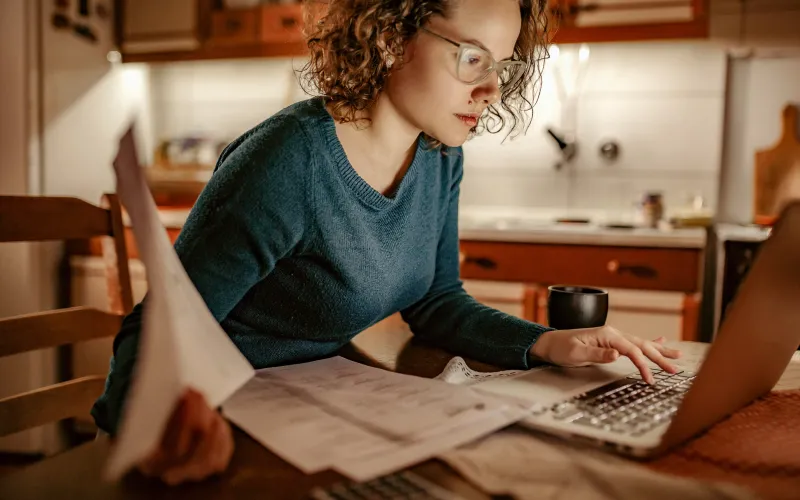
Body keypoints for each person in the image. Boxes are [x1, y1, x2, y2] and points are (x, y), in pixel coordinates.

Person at [92, 0, 681, 486]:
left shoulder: (439, 155)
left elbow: (437, 302)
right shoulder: (289, 162)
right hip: (216, 427)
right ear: (390, 36)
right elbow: (155, 334)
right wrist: (156, 429)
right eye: (472, 59)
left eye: (501, 66)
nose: (491, 90)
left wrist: (551, 343)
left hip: (316, 411)